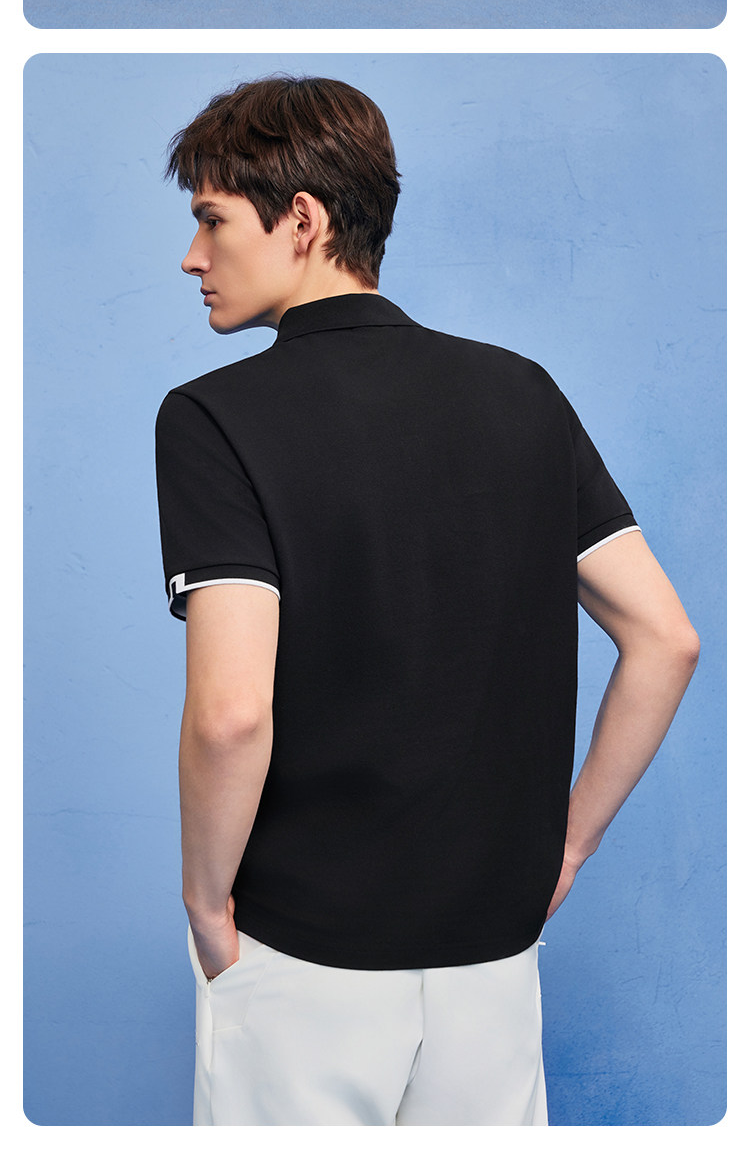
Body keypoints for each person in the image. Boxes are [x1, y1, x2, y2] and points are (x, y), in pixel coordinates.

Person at [155, 72, 700, 1130]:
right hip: (493, 960)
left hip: (301, 955)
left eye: (211, 220)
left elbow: (230, 713)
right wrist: (567, 845)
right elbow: (665, 637)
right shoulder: (522, 392)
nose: (192, 256)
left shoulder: (214, 418)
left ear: (301, 219)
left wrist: (205, 903)